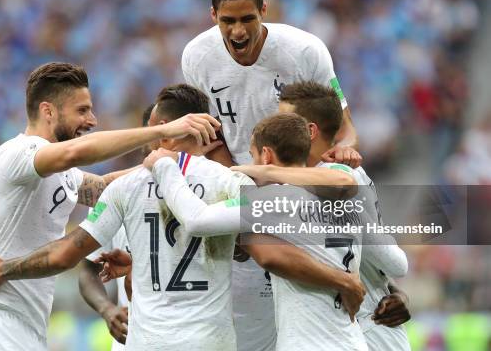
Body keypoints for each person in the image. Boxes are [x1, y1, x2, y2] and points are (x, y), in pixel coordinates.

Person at [0, 64, 220, 351]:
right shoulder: (16, 154)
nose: (92, 120)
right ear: (48, 111)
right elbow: (76, 153)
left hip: (25, 323)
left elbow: (110, 187)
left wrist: (181, 159)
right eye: (82, 110)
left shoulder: (62, 175)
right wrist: (163, 130)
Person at [181, 0, 361, 351]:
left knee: (323, 309)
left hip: (302, 190)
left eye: (248, 18)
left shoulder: (305, 51)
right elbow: (210, 137)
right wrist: (238, 184)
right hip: (242, 188)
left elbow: (343, 125)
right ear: (213, 16)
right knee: (251, 323)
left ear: (265, 9)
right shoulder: (197, 57)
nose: (238, 31)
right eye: (227, 21)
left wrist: (342, 152)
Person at [145, 113, 408, 350]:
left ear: (266, 155)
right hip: (351, 341)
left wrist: (165, 168)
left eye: (252, 154)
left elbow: (197, 220)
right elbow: (395, 262)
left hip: (307, 344)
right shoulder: (351, 201)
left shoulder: (272, 200)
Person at [78, 104, 155, 349]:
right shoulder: (113, 194)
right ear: (146, 138)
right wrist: (107, 309)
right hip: (134, 342)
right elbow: (88, 270)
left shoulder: (216, 185)